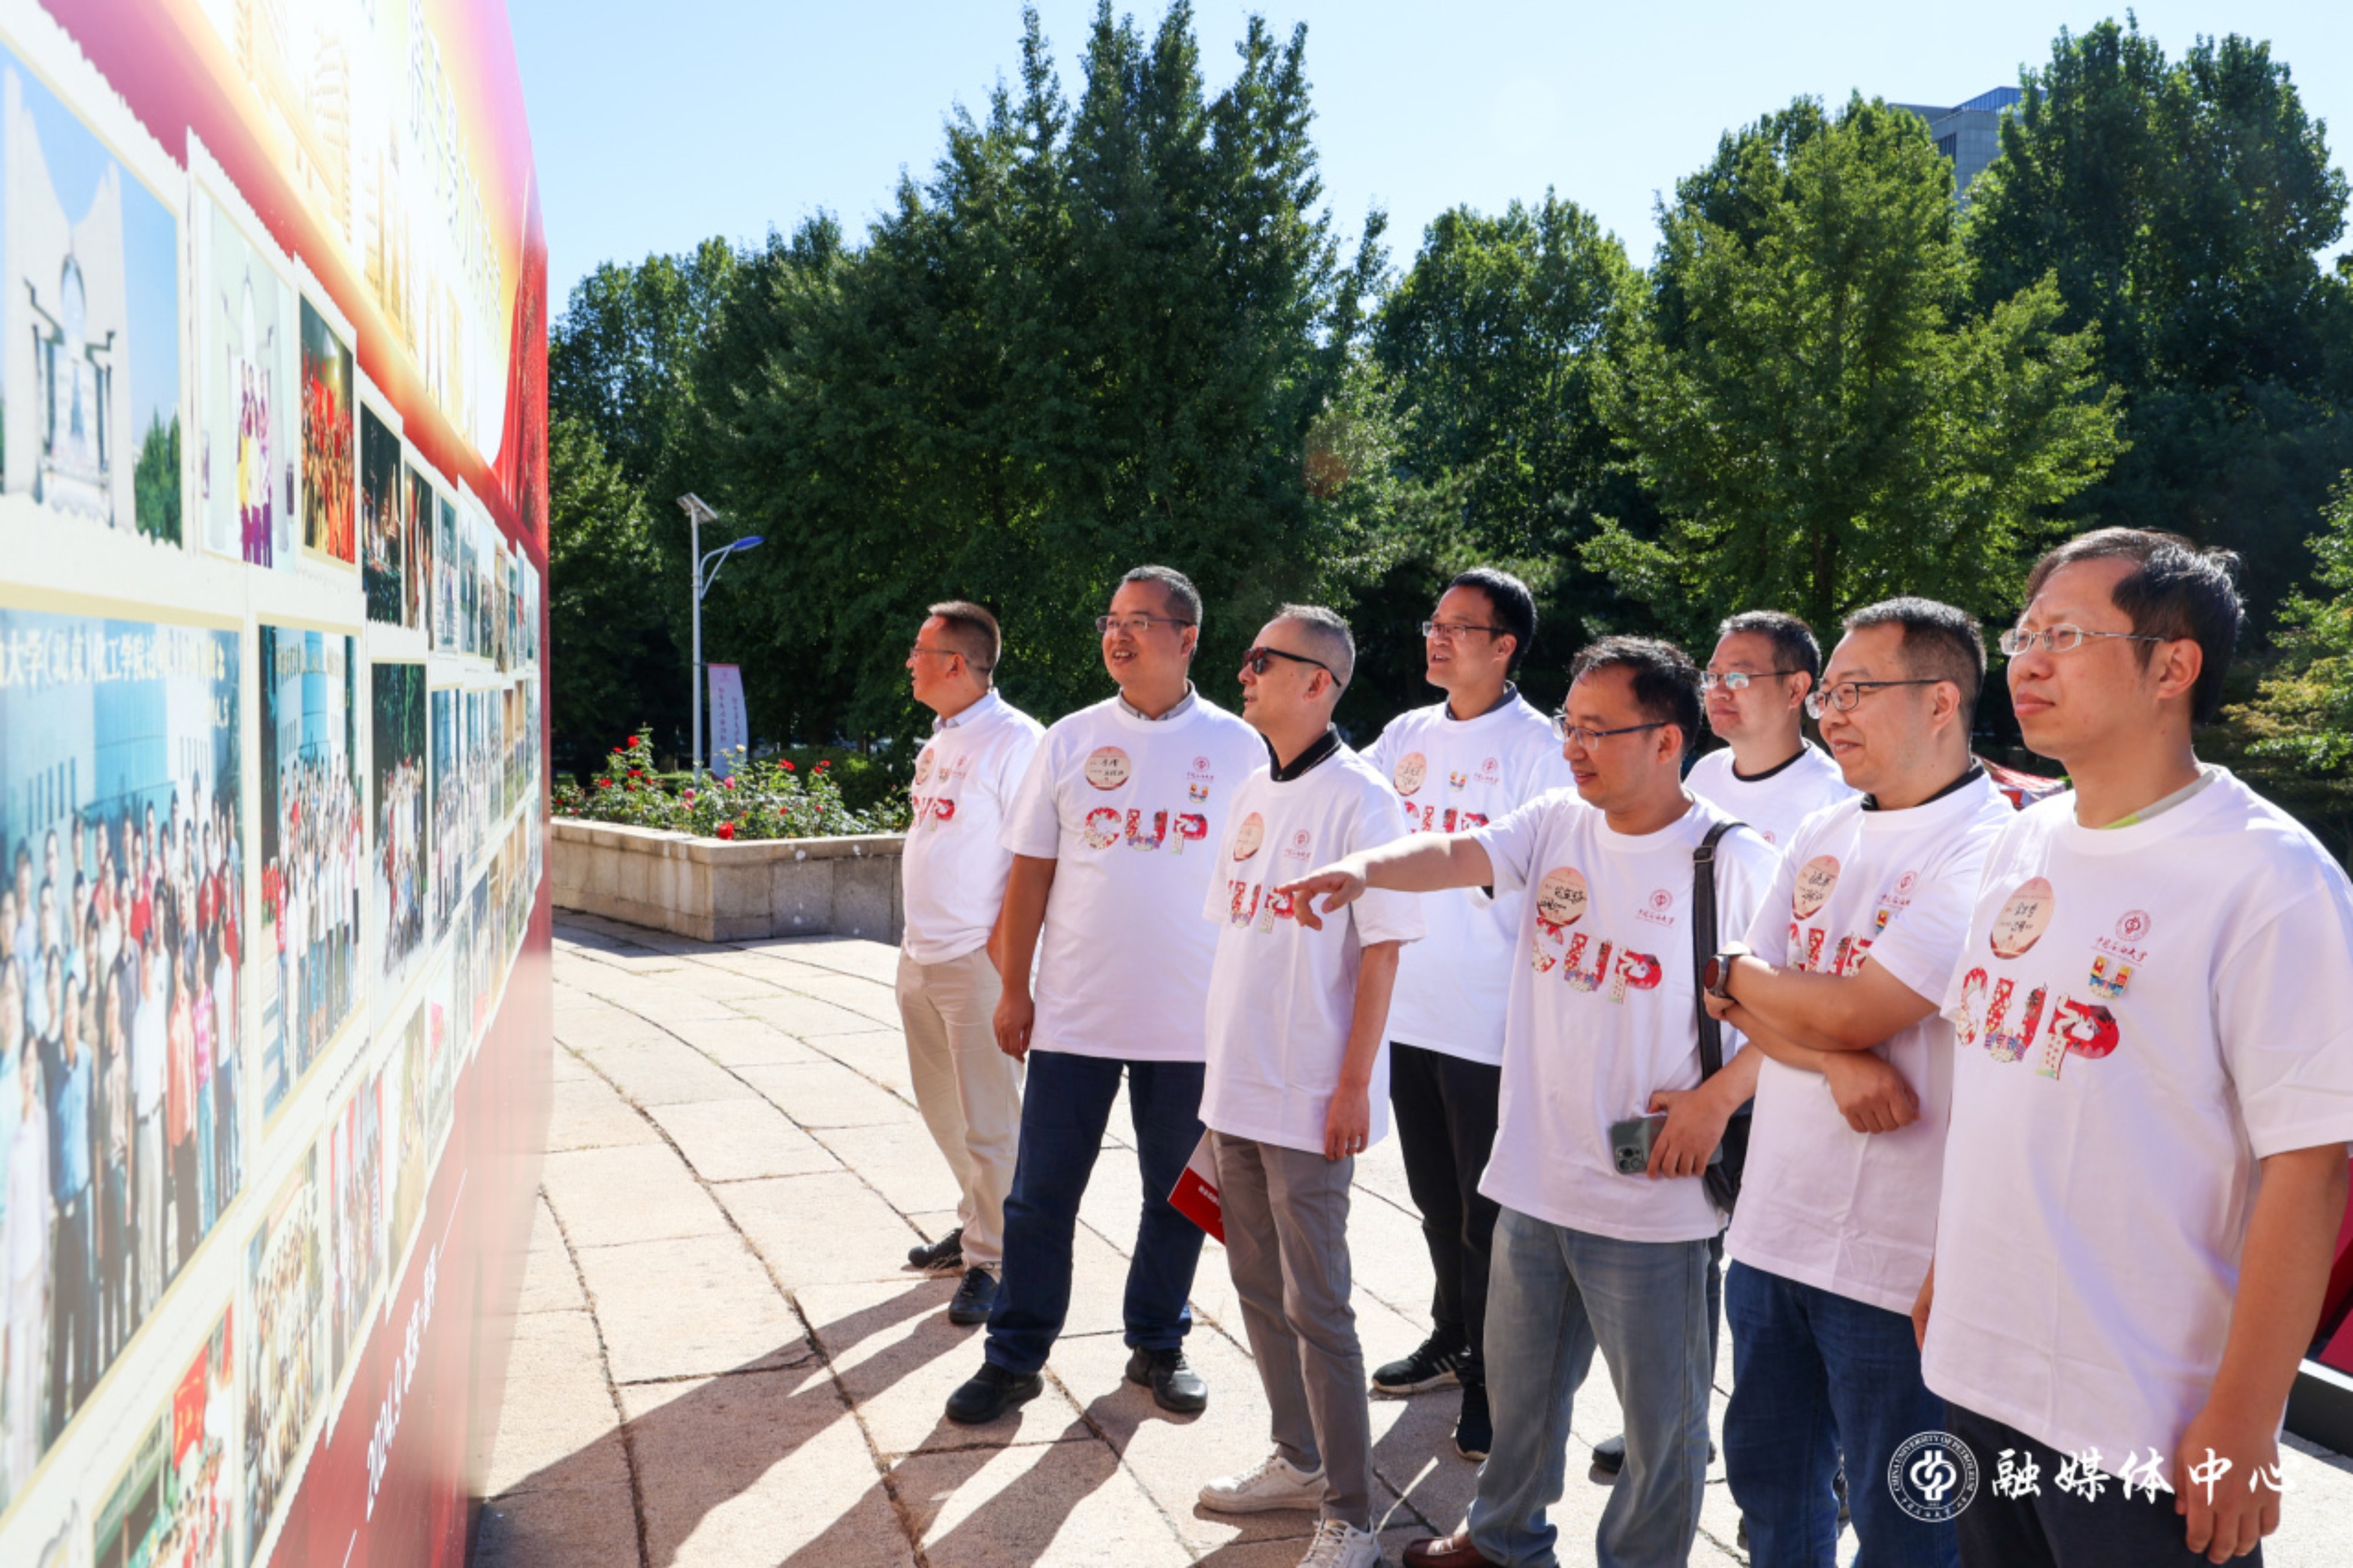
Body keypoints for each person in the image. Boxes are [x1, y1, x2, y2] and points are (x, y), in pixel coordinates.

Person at [1285, 637, 1779, 1568]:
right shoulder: (1556, 820)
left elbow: (1795, 1009)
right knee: (1521, 1394)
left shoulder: (1731, 858)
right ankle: (1505, 1537)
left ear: (1666, 740)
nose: (1575, 747)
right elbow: (1455, 850)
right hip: (1535, 1173)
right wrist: (1365, 868)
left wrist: (1719, 1098)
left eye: (1599, 730)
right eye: (1569, 725)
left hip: (1651, 1192)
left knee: (1660, 1424)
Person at [1915, 529, 2353, 1567]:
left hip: (2143, 1414)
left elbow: (2312, 1165)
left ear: (2173, 666)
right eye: (2024, 635)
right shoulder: (2024, 839)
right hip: (1981, 1372)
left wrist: (2245, 1423)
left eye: (2065, 636)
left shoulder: (2271, 880)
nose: (2027, 663)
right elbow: (2000, 1079)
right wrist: (1946, 1269)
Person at [1702, 598, 2014, 1567]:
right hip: (1772, 1230)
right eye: (1828, 694)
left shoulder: (1991, 846)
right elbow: (1729, 992)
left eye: (1856, 692)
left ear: (1942, 701)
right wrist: (1834, 1055)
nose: (1831, 713)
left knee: (1908, 1520)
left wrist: (1780, 996)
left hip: (1900, 1259)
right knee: (1769, 1484)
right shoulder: (1825, 827)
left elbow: (1846, 1007)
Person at [945, 566, 1265, 1424]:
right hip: (1074, 1015)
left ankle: (1158, 1341)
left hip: (1190, 1021)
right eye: (1111, 620)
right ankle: (1014, 1355)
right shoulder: (1070, 738)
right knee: (1039, 1197)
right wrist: (1014, 988)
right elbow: (1030, 872)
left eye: (1139, 620)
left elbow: (1261, 883)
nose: (1117, 634)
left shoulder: (1240, 747)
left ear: (1187, 637)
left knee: (1177, 1196)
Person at [1193, 608, 1422, 1568]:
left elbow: (1382, 952)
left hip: (1308, 1093)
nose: (1243, 672)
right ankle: (1296, 1457)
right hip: (1236, 1086)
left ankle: (1352, 1514)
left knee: (1319, 1302)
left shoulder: (1364, 800)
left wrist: (1354, 1086)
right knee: (1254, 1282)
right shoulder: (1252, 787)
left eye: (1263, 660)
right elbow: (1237, 934)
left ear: (1318, 682)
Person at [1362, 569, 1567, 1462]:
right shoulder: (1405, 734)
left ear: (1504, 645)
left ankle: (1495, 1375)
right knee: (1434, 1202)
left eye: (1458, 626)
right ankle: (1451, 1335)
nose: (1436, 638)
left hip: (1491, 1020)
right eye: (1433, 624)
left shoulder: (1541, 747)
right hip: (1410, 1007)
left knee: (1492, 1218)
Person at [896, 600, 1045, 1325]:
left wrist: (1005, 957)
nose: (909, 662)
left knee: (991, 1119)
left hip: (975, 961)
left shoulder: (1017, 739)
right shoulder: (942, 737)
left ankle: (997, 1259)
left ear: (956, 663)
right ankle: (977, 1221)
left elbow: (1034, 854)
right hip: (921, 953)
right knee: (943, 1107)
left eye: (920, 650)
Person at [1685, 611, 1854, 851]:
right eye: (1713, 677)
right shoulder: (1704, 774)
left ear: (1796, 689)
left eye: (1737, 677)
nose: (1718, 692)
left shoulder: (1836, 800)